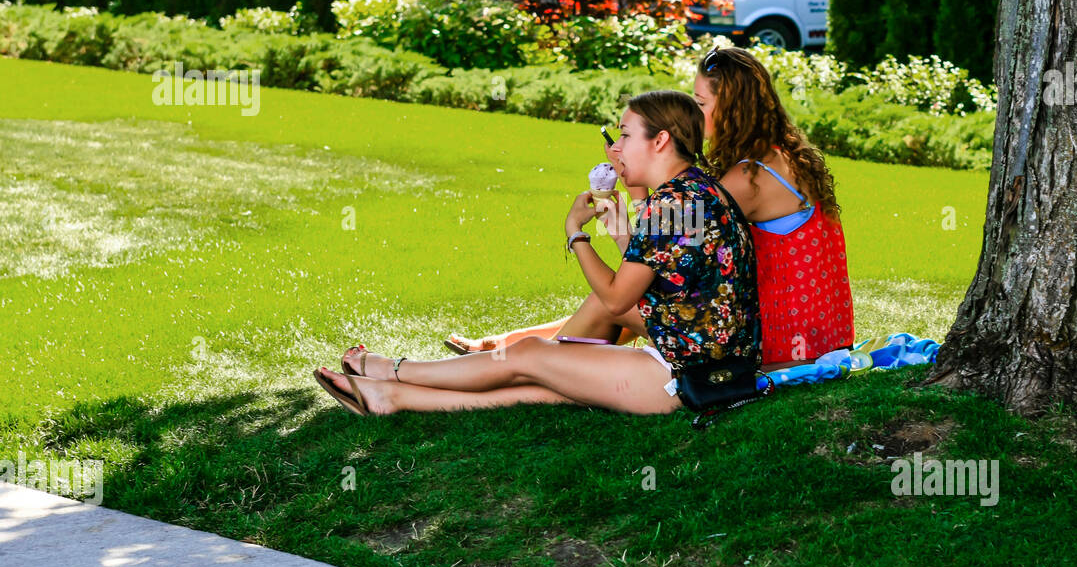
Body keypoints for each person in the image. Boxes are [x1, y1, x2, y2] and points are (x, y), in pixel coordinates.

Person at [315, 90, 761, 417]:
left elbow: (616, 299)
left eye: (625, 135)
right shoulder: (698, 190)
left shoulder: (674, 204)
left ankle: (395, 371)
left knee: (529, 355)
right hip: (713, 366)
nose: (616, 147)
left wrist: (575, 233)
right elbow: (660, 271)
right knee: (541, 382)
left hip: (682, 376)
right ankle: (388, 397)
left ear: (660, 141)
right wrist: (616, 222)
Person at [425, 45, 853, 369]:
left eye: (700, 104)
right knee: (627, 302)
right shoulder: (781, 156)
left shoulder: (745, 181)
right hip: (822, 334)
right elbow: (662, 250)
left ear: (734, 107)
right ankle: (500, 349)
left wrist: (634, 182)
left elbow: (653, 254)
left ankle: (519, 365)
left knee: (612, 302)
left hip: (782, 344)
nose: (692, 112)